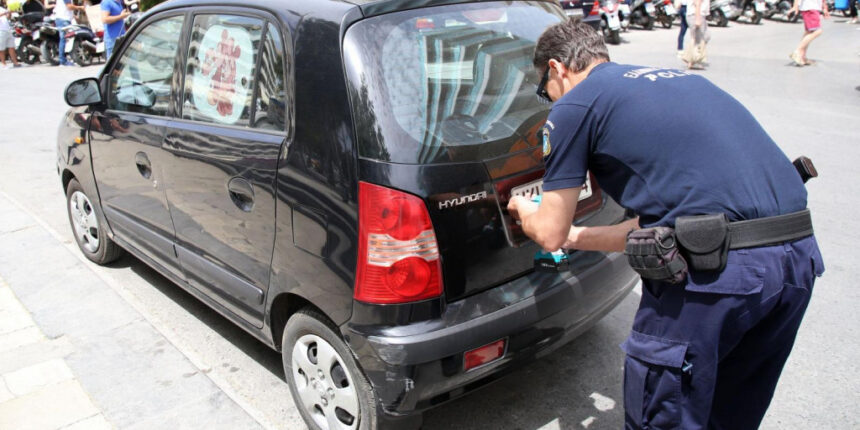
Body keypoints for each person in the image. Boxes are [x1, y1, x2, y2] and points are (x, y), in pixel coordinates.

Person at [509, 18, 824, 429]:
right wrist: (575, 236)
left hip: (719, 277)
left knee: (664, 418)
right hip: (795, 259)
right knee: (730, 415)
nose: (549, 99)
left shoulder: (575, 104)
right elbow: (663, 222)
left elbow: (548, 233)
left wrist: (526, 211)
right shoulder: (683, 82)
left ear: (557, 68)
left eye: (543, 90)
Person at [789, 0, 830, 66]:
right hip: (810, 8)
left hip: (812, 8)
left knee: (809, 32)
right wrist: (795, 6)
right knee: (817, 31)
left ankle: (802, 57)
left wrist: (824, 8)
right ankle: (797, 51)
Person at [49, 0, 85, 66]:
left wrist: (73, 16)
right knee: (65, 39)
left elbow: (65, 8)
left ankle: (64, 60)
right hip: (63, 19)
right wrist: (80, 7)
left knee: (64, 39)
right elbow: (69, 7)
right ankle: (63, 61)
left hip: (61, 18)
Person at [682, 0, 709, 69]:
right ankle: (693, 59)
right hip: (696, 15)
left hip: (696, 15)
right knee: (699, 39)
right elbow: (697, 3)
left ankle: (690, 59)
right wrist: (698, 19)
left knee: (697, 38)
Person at [0, 0, 21, 69]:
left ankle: (15, 63)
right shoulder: (3, 10)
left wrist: (9, 13)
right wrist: (5, 13)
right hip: (1, 30)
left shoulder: (2, 8)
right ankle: (4, 64)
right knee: (1, 49)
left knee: (11, 47)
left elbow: (7, 18)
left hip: (8, 29)